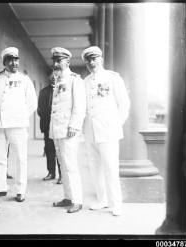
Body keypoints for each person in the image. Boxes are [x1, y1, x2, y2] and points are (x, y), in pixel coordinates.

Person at [81, 46, 130, 216]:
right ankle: (102, 200)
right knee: (95, 168)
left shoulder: (112, 78)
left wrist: (116, 125)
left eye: (94, 58)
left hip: (108, 131)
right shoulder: (85, 82)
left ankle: (116, 204)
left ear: (101, 59)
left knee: (110, 167)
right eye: (88, 60)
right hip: (90, 131)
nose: (91, 62)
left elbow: (124, 104)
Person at [0, 47, 37, 202]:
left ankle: (21, 190)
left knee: (20, 157)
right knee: (0, 158)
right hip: (0, 125)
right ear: (4, 62)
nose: (14, 63)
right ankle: (1, 188)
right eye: (10, 60)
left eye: (16, 59)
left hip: (17, 124)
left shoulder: (24, 79)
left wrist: (20, 116)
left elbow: (32, 103)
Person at [49, 47, 86, 213]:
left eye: (59, 60)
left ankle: (77, 200)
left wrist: (74, 126)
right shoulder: (58, 81)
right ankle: (68, 197)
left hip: (68, 129)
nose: (56, 64)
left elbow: (79, 106)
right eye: (54, 61)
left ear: (67, 62)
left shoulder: (74, 80)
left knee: (70, 165)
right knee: (62, 165)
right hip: (57, 129)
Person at [37, 72, 62, 184]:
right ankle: (51, 172)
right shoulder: (44, 92)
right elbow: (39, 109)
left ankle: (62, 175)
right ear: (49, 79)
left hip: (60, 125)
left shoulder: (63, 89)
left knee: (60, 151)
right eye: (52, 77)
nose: (54, 79)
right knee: (49, 150)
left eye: (56, 77)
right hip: (48, 126)